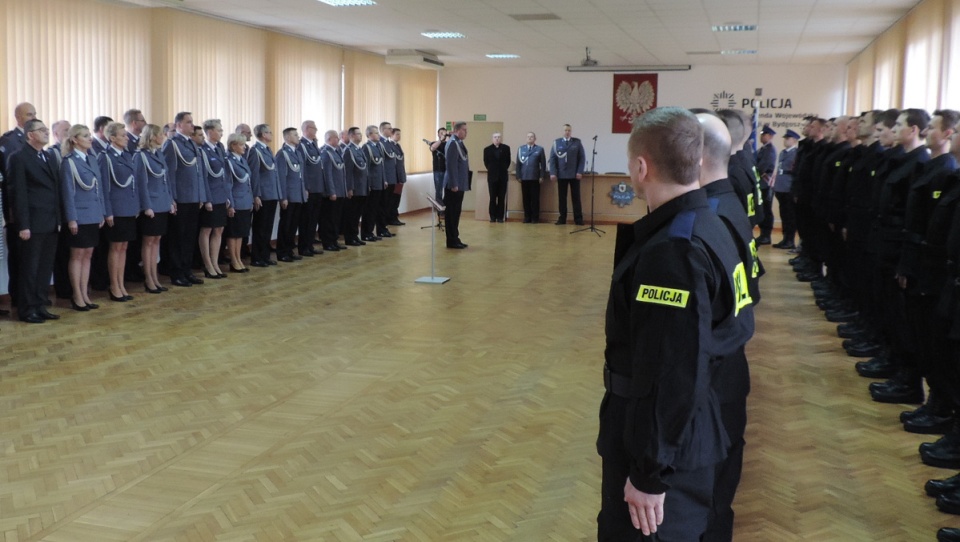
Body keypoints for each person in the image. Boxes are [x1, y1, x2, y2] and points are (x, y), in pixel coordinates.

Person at [597, 107, 747, 541]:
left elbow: (671, 371)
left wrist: (648, 474)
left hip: (666, 451)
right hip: (689, 431)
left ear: (641, 168)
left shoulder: (673, 252)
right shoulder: (710, 223)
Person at [694, 111, 760, 542]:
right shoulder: (726, 202)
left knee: (711, 492)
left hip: (717, 375)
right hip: (730, 365)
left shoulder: (711, 215)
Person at [7, 119, 60, 323]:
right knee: (30, 268)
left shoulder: (46, 156)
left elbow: (54, 191)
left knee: (45, 267)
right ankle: (27, 309)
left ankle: (40, 304)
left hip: (50, 220)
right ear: (30, 135)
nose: (47, 133)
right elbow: (17, 193)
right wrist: (23, 224)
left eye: (47, 130)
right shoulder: (19, 157)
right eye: (42, 130)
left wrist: (59, 219)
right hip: (32, 223)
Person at [60, 124, 105, 310]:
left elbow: (98, 188)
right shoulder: (69, 162)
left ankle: (85, 293)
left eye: (89, 135)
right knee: (77, 255)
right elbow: (67, 193)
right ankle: (77, 295)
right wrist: (71, 218)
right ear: (75, 140)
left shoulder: (91, 159)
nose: (90, 138)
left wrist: (101, 211)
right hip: (79, 215)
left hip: (93, 213)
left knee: (88, 254)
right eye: (85, 136)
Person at [162, 112, 208, 287]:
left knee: (189, 237)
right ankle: (177, 273)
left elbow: (199, 174)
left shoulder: (192, 144)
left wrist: (201, 196)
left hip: (193, 198)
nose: (192, 125)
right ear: (179, 125)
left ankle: (187, 270)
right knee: (178, 238)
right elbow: (170, 175)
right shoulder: (172, 145)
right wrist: (172, 198)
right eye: (188, 122)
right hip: (180, 198)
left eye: (192, 122)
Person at [0, 102, 38, 311]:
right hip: (16, 210)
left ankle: (32, 297)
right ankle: (19, 298)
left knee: (33, 258)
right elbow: (9, 180)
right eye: (28, 114)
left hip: (36, 209)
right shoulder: (8, 141)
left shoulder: (35, 142)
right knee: (19, 257)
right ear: (18, 117)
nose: (33, 117)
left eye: (35, 114)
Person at [99, 122, 139, 302]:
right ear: (112, 138)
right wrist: (107, 212)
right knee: (115, 247)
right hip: (115, 209)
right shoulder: (106, 157)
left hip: (128, 208)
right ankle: (114, 286)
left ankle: (121, 284)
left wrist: (136, 205)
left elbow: (133, 184)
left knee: (124, 247)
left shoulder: (127, 155)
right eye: (123, 135)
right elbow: (104, 186)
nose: (127, 138)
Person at [134, 124, 174, 294]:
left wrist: (171, 200)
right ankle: (148, 278)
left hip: (162, 203)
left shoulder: (158, 154)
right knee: (148, 242)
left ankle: (155, 276)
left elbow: (166, 179)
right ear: (151, 136)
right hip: (151, 206)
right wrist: (146, 206)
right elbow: (141, 184)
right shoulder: (140, 156)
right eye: (159, 135)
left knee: (156, 241)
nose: (162, 137)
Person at [248, 124, 284, 267]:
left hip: (272, 194)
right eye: (269, 132)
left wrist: (278, 193)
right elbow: (254, 175)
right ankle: (257, 257)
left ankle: (265, 255)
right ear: (262, 134)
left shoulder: (268, 150)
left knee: (267, 227)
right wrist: (256, 195)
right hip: (262, 195)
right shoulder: (255, 151)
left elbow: (274, 175)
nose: (271, 134)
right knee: (260, 228)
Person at [198, 119, 230, 278]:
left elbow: (224, 174)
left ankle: (215, 263)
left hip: (221, 195)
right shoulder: (202, 150)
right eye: (219, 130)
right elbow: (203, 177)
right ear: (209, 132)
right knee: (207, 230)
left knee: (219, 229)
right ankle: (208, 264)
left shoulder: (220, 148)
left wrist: (227, 196)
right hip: (210, 196)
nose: (221, 133)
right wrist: (207, 199)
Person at [224, 133, 253, 273]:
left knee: (241, 232)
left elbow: (247, 181)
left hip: (245, 200)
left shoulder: (242, 160)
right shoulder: (229, 161)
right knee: (233, 233)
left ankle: (239, 258)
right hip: (236, 200)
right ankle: (233, 260)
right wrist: (231, 204)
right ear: (233, 146)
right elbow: (228, 184)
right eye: (241, 145)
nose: (244, 148)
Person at [275, 127, 304, 262]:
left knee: (293, 225)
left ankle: (290, 249)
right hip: (289, 195)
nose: (298, 136)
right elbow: (281, 177)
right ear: (287, 138)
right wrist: (283, 197)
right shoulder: (282, 154)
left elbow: (300, 175)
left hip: (298, 194)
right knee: (286, 224)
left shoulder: (297, 153)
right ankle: (282, 252)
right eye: (295, 135)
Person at [548, 124, 586, 225]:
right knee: (562, 198)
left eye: (569, 130)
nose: (567, 132)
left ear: (571, 131)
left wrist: (579, 171)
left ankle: (578, 219)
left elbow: (582, 158)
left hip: (574, 175)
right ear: (563, 131)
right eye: (565, 130)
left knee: (576, 198)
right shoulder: (556, 143)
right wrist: (553, 172)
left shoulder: (577, 142)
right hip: (561, 174)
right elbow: (552, 159)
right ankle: (562, 218)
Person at [297, 120, 323, 257]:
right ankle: (304, 247)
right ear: (307, 129)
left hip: (318, 187)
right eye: (314, 128)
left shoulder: (313, 144)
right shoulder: (302, 145)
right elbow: (303, 169)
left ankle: (310, 245)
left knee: (313, 219)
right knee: (306, 220)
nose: (316, 130)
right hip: (310, 188)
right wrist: (306, 187)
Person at [320, 129, 347, 252]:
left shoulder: (336, 152)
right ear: (329, 139)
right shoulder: (326, 153)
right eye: (336, 137)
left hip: (340, 191)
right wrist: (332, 191)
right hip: (333, 192)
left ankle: (334, 240)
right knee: (329, 219)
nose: (338, 139)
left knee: (336, 218)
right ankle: (328, 242)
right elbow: (328, 174)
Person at [444, 121, 470, 249]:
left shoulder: (459, 143)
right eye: (464, 130)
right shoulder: (453, 144)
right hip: (454, 185)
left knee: (456, 212)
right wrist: (454, 183)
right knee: (452, 213)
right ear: (457, 130)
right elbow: (451, 165)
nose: (466, 132)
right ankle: (451, 240)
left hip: (460, 183)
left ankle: (455, 237)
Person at [772, 129, 800, 249]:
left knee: (790, 216)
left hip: (788, 187)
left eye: (787, 138)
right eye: (785, 138)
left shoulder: (796, 153)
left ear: (794, 140)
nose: (785, 140)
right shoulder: (783, 153)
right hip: (781, 187)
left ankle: (790, 240)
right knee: (783, 214)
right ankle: (784, 238)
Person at [342, 126, 367, 247]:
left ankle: (355, 236)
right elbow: (348, 171)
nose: (360, 135)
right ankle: (349, 238)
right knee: (351, 215)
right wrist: (349, 188)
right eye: (358, 134)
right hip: (355, 188)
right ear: (351, 136)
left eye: (360, 133)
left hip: (362, 187)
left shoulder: (359, 149)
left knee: (357, 214)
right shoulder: (348, 150)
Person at [362, 125, 387, 242]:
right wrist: (369, 183)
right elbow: (366, 167)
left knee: (377, 209)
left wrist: (384, 179)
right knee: (369, 210)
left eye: (378, 133)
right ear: (369, 135)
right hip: (372, 184)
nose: (378, 135)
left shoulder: (379, 147)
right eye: (376, 133)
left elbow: (381, 165)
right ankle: (366, 233)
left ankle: (373, 231)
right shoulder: (367, 148)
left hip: (380, 182)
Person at [516, 132, 547, 224]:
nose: (530, 138)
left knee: (535, 199)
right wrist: (518, 175)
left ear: (535, 138)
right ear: (526, 138)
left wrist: (542, 176)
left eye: (532, 137)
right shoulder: (521, 149)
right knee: (525, 199)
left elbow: (543, 164)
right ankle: (527, 217)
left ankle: (535, 218)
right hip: (524, 177)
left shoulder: (539, 149)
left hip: (535, 177)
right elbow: (518, 164)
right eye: (528, 137)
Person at [755, 125, 777, 244]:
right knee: (762, 209)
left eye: (764, 135)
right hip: (761, 184)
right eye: (761, 134)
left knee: (766, 210)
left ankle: (766, 235)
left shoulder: (769, 150)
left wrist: (754, 170)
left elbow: (762, 167)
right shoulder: (762, 149)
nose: (762, 136)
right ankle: (763, 234)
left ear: (770, 136)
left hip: (765, 184)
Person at [483, 132, 511, 223]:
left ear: (501, 138)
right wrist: (492, 170)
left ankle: (500, 217)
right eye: (495, 137)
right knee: (492, 198)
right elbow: (486, 162)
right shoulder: (487, 149)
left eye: (499, 137)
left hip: (503, 177)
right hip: (492, 177)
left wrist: (502, 170)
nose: (497, 139)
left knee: (501, 198)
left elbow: (508, 162)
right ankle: (492, 216)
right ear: (492, 139)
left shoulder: (506, 148)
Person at [378, 121, 397, 237]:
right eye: (389, 128)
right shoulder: (380, 143)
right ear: (383, 130)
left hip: (391, 178)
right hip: (385, 179)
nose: (391, 130)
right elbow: (381, 164)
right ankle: (381, 228)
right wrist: (384, 178)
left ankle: (384, 228)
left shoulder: (389, 143)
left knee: (388, 205)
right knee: (382, 205)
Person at [388, 127, 406, 226]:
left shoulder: (398, 145)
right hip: (394, 177)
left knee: (397, 198)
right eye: (397, 134)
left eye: (400, 134)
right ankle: (391, 217)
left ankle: (394, 216)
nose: (399, 136)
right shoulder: (390, 146)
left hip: (399, 176)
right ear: (391, 135)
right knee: (392, 199)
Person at [430, 128, 449, 208]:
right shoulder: (434, 143)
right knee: (439, 191)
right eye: (441, 133)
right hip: (438, 170)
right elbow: (432, 148)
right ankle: (439, 209)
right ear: (438, 134)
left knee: (448, 190)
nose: (443, 135)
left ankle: (446, 207)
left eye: (444, 133)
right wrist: (441, 140)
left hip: (448, 170)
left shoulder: (448, 144)